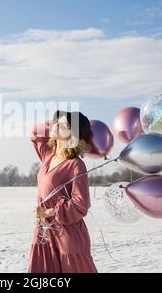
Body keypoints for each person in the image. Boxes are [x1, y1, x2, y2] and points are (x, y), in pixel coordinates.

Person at [27, 110, 98, 273]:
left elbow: (81, 204)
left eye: (64, 124)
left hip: (68, 234)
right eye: (56, 122)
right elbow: (35, 131)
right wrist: (56, 122)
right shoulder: (48, 155)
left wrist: (49, 212)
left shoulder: (75, 164)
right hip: (44, 231)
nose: (56, 125)